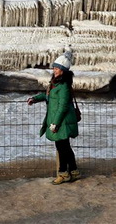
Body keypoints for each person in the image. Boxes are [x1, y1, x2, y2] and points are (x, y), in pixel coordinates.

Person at [27, 51, 80, 185]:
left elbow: (62, 107)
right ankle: (74, 171)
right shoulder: (55, 83)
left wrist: (55, 124)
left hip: (62, 122)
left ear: (63, 71)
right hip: (58, 120)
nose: (54, 70)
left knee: (62, 148)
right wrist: (35, 99)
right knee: (65, 147)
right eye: (54, 68)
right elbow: (48, 95)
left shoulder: (64, 86)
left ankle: (63, 174)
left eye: (56, 68)